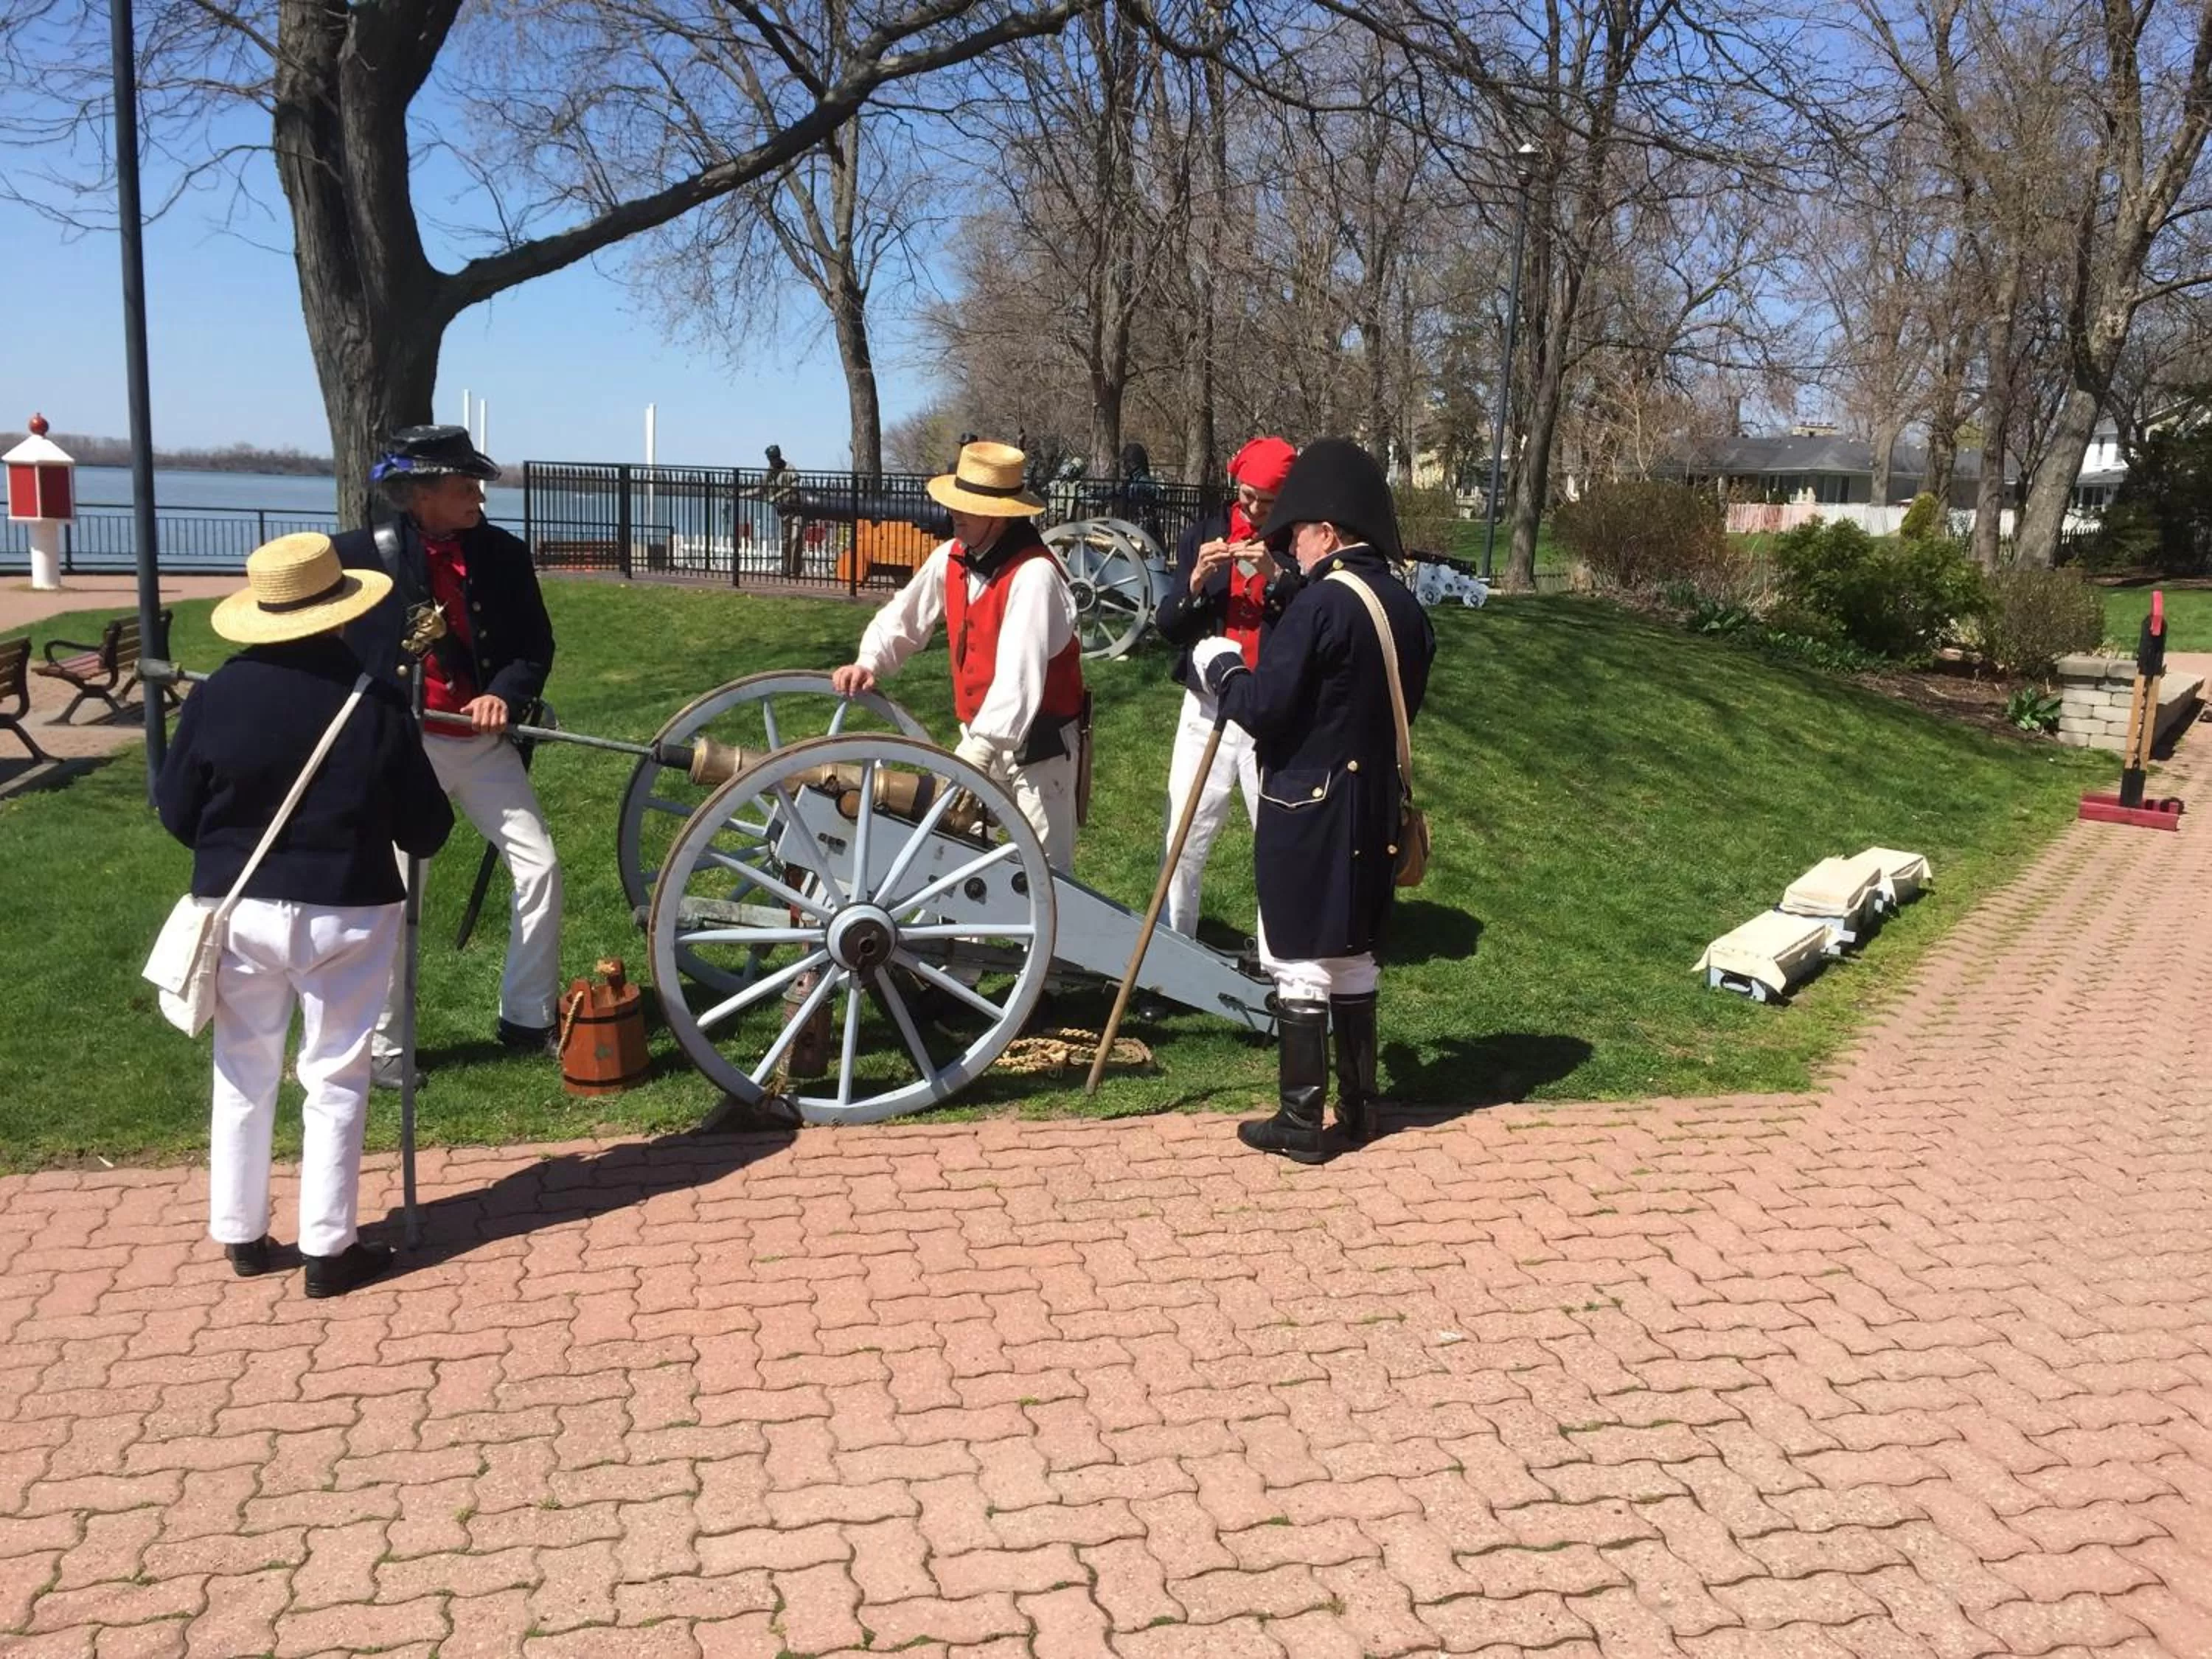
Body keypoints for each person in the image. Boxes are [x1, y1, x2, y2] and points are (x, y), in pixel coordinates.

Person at [157, 534, 455, 1297]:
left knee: (243, 1069)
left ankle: (242, 1232)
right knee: (335, 1075)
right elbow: (425, 829)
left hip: (241, 908)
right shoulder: (375, 701)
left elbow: (178, 810)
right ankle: (329, 1246)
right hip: (347, 911)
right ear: (339, 612)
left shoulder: (216, 695)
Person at [1190, 438, 1436, 1163]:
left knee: (1298, 960)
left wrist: (1221, 665)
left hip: (1310, 806)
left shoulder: (1324, 604)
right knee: (1355, 958)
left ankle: (1301, 1123)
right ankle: (1360, 1109)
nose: (1288, 547)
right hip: (1374, 805)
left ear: (1327, 532)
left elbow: (1264, 709)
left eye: (1295, 533)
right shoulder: (1404, 605)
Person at [335, 425, 563, 1084]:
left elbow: (532, 646)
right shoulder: (356, 556)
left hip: (484, 745)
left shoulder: (504, 555)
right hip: (406, 748)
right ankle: (384, 1049)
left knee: (541, 867)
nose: (478, 498)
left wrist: (502, 693)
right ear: (420, 496)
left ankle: (527, 1017)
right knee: (400, 895)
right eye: (465, 487)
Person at [831, 439, 1085, 871]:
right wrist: (869, 661)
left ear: (1000, 516)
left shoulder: (1035, 575)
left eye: (966, 506)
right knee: (961, 864)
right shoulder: (950, 558)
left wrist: (979, 750)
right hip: (980, 736)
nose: (954, 513)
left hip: (1040, 750)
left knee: (1046, 876)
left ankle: (1054, 941)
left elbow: (1019, 678)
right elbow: (904, 616)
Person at [1151, 435, 1300, 936]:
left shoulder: (1300, 545)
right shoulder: (1202, 534)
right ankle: (1172, 947)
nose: (1255, 510)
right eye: (1247, 496)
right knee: (1185, 831)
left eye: (1268, 501)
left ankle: (1277, 958)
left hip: (1269, 709)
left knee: (1277, 837)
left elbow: (1313, 622)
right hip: (1206, 705)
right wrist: (1194, 582)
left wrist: (1278, 577)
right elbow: (1169, 626)